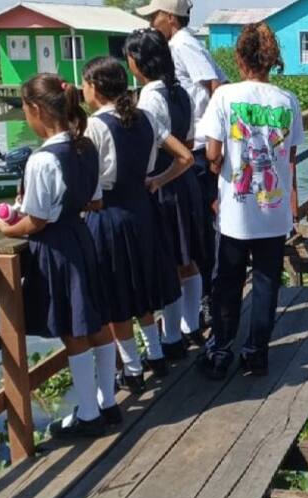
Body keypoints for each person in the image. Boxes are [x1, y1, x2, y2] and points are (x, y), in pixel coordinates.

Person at [0, 75, 111, 438]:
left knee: (71, 329)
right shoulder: (85, 147)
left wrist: (8, 228)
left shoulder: (42, 158)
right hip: (82, 238)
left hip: (58, 247)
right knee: (93, 323)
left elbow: (38, 219)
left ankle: (90, 415)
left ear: (35, 111)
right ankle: (107, 402)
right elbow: (94, 200)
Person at [81, 55, 194, 396]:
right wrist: (158, 180)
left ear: (95, 87)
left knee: (116, 295)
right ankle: (156, 354)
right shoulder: (144, 116)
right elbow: (186, 157)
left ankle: (132, 369)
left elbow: (91, 187)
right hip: (142, 210)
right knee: (142, 288)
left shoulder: (94, 126)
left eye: (85, 85)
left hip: (109, 216)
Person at [196, 22, 301, 379]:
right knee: (267, 283)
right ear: (272, 60)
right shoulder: (288, 100)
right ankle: (256, 353)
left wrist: (219, 165)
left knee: (227, 283)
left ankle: (221, 350)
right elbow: (289, 155)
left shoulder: (224, 97)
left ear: (240, 58)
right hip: (274, 211)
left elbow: (212, 151)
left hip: (236, 212)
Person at [125, 27, 211, 359]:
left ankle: (172, 337)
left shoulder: (149, 97)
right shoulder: (181, 93)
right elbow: (189, 144)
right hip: (186, 183)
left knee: (171, 263)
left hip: (163, 184)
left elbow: (174, 149)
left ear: (137, 61)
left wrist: (158, 179)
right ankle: (191, 326)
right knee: (187, 259)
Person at [139, 0, 224, 316]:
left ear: (170, 18)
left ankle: (205, 301)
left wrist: (218, 139)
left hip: (196, 147)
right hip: (194, 146)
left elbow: (215, 85)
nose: (151, 23)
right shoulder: (187, 44)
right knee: (197, 229)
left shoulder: (181, 44)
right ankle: (202, 301)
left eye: (154, 16)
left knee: (195, 233)